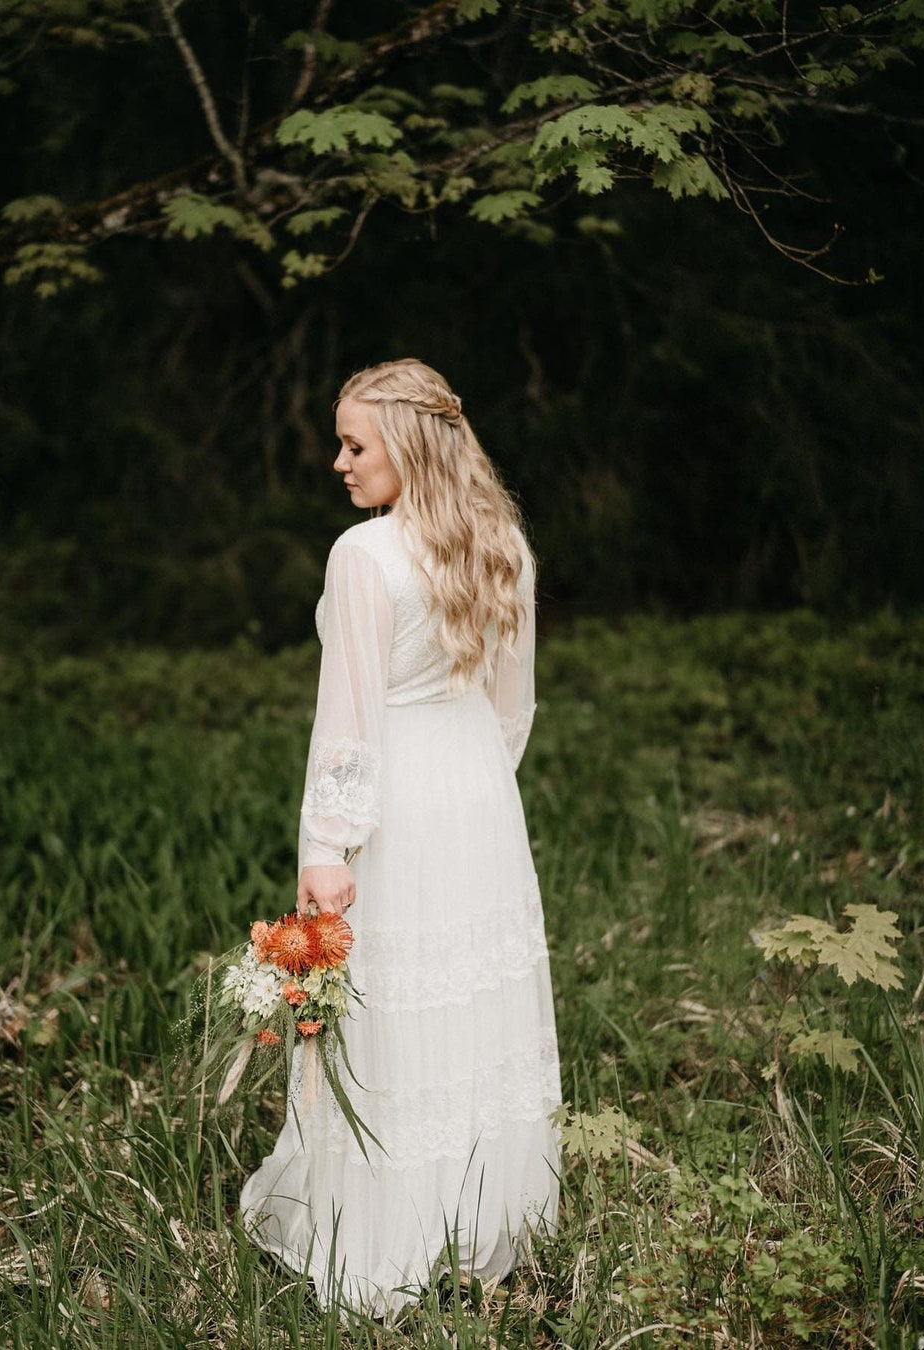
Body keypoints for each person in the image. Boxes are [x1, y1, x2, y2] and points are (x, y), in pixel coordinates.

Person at [239, 358, 560, 1319]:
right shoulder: (501, 541)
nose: (338, 462)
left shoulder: (364, 555)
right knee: (464, 1003)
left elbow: (348, 721)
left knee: (394, 1008)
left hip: (404, 799)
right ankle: (477, 1218)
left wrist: (327, 847)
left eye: (355, 444)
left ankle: (383, 1236)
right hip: (479, 799)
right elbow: (514, 707)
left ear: (410, 447)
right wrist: (477, 795)